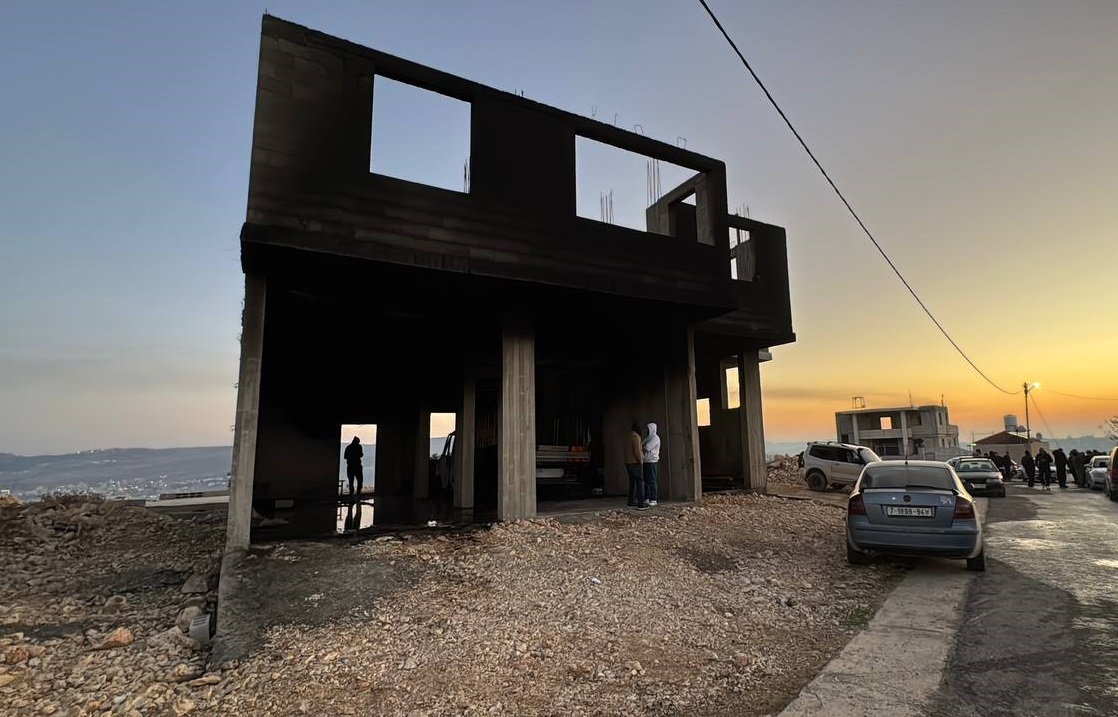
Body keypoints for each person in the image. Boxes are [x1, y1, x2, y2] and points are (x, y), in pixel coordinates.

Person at [625, 423, 645, 508]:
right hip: (635, 462)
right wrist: (641, 461)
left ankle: (631, 501)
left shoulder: (628, 436)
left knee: (632, 483)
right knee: (640, 483)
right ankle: (641, 503)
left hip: (628, 462)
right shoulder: (636, 437)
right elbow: (637, 451)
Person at [642, 422, 661, 507]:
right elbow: (642, 445)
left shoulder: (655, 438)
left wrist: (643, 446)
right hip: (646, 461)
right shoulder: (648, 438)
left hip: (652, 462)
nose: (646, 431)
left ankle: (653, 498)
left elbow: (647, 447)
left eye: (648, 429)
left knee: (652, 481)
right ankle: (647, 497)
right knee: (646, 481)